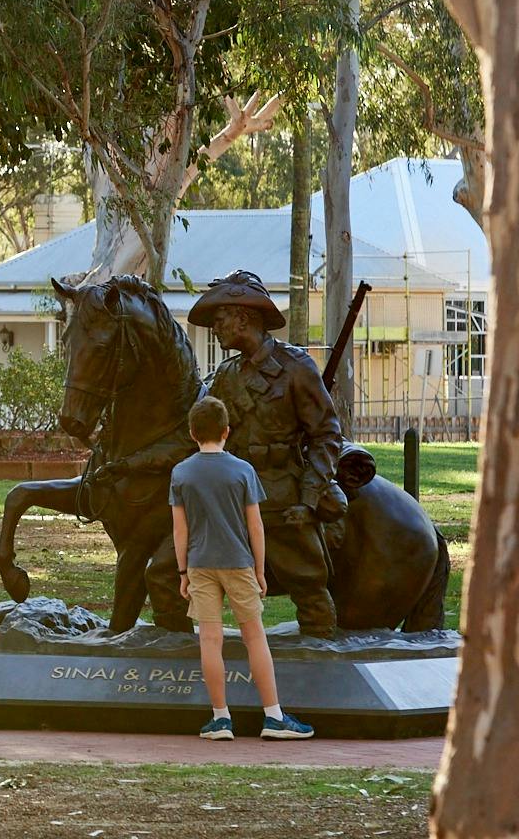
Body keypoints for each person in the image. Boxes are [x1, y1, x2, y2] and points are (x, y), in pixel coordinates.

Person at [190, 269, 346, 636]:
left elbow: (326, 435)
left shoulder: (295, 368)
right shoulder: (224, 375)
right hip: (229, 496)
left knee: (309, 588)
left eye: (220, 319)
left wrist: (308, 500)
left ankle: (320, 664)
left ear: (243, 317)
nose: (215, 328)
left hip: (280, 497)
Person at [171, 395, 315, 741]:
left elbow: (180, 529)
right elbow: (256, 527)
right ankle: (273, 716)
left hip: (200, 564)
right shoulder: (243, 471)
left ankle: (220, 718)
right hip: (239, 563)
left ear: (192, 433)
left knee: (209, 639)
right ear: (227, 431)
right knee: (254, 637)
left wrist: (183, 572)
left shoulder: (181, 473)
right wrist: (261, 570)